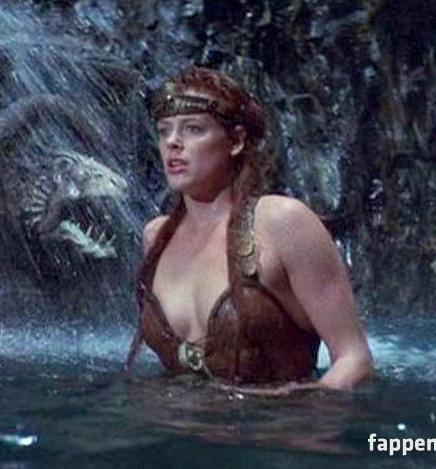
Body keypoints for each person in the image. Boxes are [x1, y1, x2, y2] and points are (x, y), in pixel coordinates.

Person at [126, 66, 372, 392]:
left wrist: (312, 407)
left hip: (274, 421)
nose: (173, 142)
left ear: (236, 141)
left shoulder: (281, 223)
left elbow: (354, 358)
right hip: (172, 421)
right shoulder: (157, 237)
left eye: (193, 129)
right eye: (163, 131)